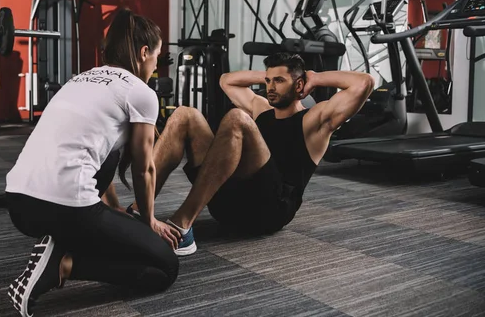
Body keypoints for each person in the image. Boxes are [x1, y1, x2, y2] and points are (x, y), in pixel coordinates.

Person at [4, 9, 181, 317]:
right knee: (165, 267)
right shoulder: (140, 92)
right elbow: (144, 168)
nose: (156, 64)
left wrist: (110, 211)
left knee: (107, 165)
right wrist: (149, 221)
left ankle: (69, 241)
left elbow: (99, 155)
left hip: (20, 207)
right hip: (65, 208)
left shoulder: (80, 78)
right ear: (143, 53)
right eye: (157, 56)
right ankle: (63, 265)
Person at [109, 52, 374, 256]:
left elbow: (364, 83)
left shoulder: (314, 121)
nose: (270, 87)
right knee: (183, 115)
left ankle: (181, 226)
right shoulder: (262, 108)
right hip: (229, 203)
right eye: (268, 81)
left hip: (268, 211)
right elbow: (227, 81)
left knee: (237, 118)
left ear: (299, 84)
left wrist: (315, 77)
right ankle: (140, 211)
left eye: (279, 81)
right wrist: (269, 75)